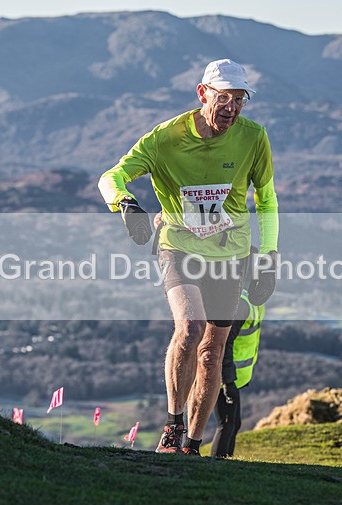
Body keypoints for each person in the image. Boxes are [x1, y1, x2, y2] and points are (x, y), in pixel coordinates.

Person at [98, 59, 279, 456]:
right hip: (179, 246)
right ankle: (173, 424)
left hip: (231, 254)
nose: (231, 107)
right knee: (191, 327)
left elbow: (266, 200)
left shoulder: (253, 137)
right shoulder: (165, 139)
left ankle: (193, 445)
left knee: (213, 350)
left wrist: (269, 255)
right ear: (203, 94)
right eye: (223, 98)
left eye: (239, 100)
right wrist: (126, 204)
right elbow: (110, 177)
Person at [209, 247, 268, 458]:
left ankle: (225, 466)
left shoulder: (249, 301)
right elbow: (223, 345)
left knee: (233, 423)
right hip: (224, 376)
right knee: (226, 423)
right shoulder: (241, 303)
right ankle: (218, 467)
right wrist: (228, 382)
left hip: (230, 376)